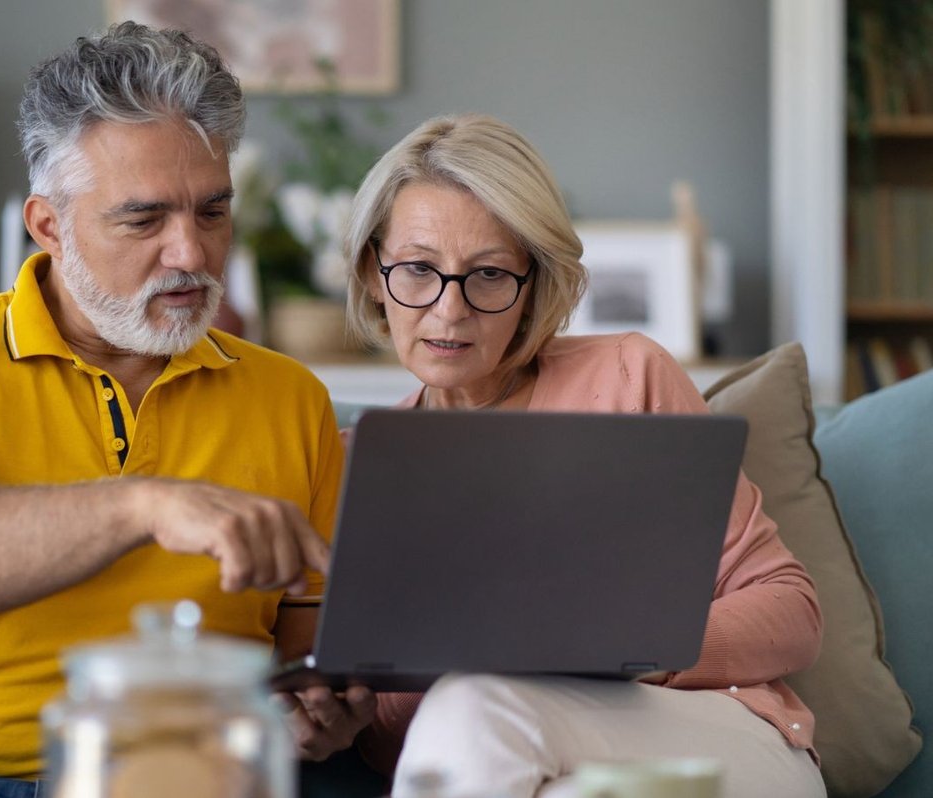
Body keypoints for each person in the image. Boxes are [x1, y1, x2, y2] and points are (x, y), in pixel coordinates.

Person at [0, 22, 376, 798]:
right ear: (48, 226)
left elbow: (304, 655)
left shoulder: (288, 397)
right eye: (143, 218)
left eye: (212, 212)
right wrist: (145, 505)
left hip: (171, 776)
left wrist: (319, 715)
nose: (191, 254)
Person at [342, 114, 826, 798]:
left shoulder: (629, 377)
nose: (449, 312)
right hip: (517, 757)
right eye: (418, 269)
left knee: (477, 706)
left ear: (533, 282)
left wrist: (623, 649)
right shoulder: (363, 463)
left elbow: (794, 612)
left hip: (714, 731)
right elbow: (405, 748)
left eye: (487, 275)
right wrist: (357, 708)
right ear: (372, 270)